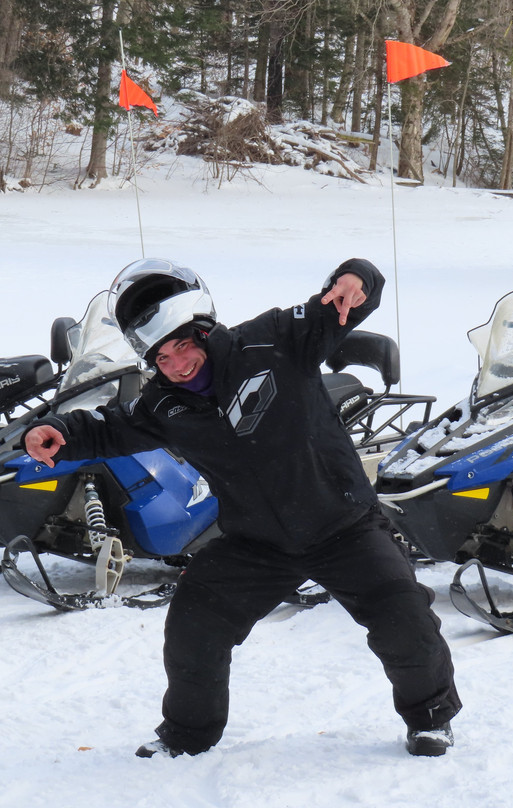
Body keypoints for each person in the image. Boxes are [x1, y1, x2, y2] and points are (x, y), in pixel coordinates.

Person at [23, 256, 461, 758]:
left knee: (404, 616)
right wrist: (61, 431)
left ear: (204, 329)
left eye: (183, 346)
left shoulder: (273, 339)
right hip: (258, 543)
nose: (177, 365)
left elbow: (343, 301)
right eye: (161, 358)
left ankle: (430, 719)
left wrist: (356, 279)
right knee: (194, 621)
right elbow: (111, 428)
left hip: (344, 526)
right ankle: (187, 735)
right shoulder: (165, 404)